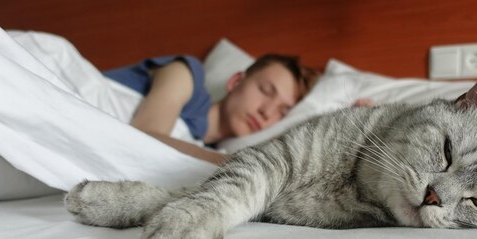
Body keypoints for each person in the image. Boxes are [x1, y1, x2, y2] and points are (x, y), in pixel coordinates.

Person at [103, 54, 320, 165]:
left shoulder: (204, 146)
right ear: (235, 82)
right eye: (265, 90)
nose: (267, 112)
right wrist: (233, 164)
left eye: (282, 112)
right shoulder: (187, 73)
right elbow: (143, 139)